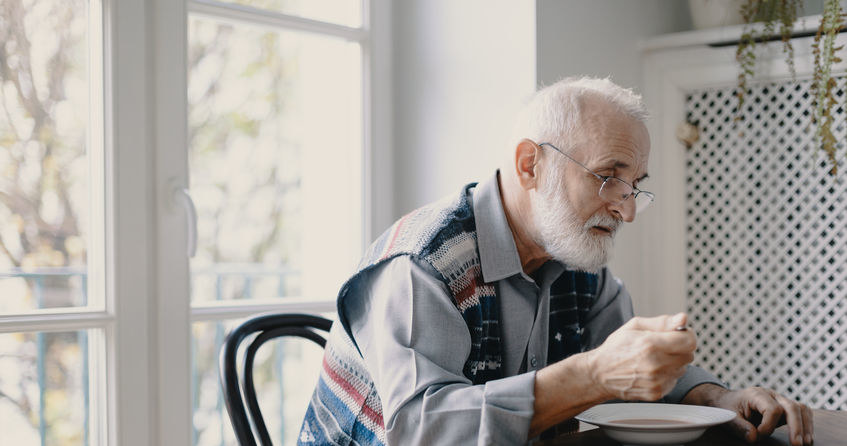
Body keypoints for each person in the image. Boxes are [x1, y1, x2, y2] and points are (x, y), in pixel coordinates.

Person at [298, 77, 814, 446]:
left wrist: (712, 396)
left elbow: (631, 363)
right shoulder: (422, 264)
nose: (627, 209)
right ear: (530, 165)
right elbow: (422, 432)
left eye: (636, 187)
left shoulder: (577, 261)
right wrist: (593, 375)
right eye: (609, 176)